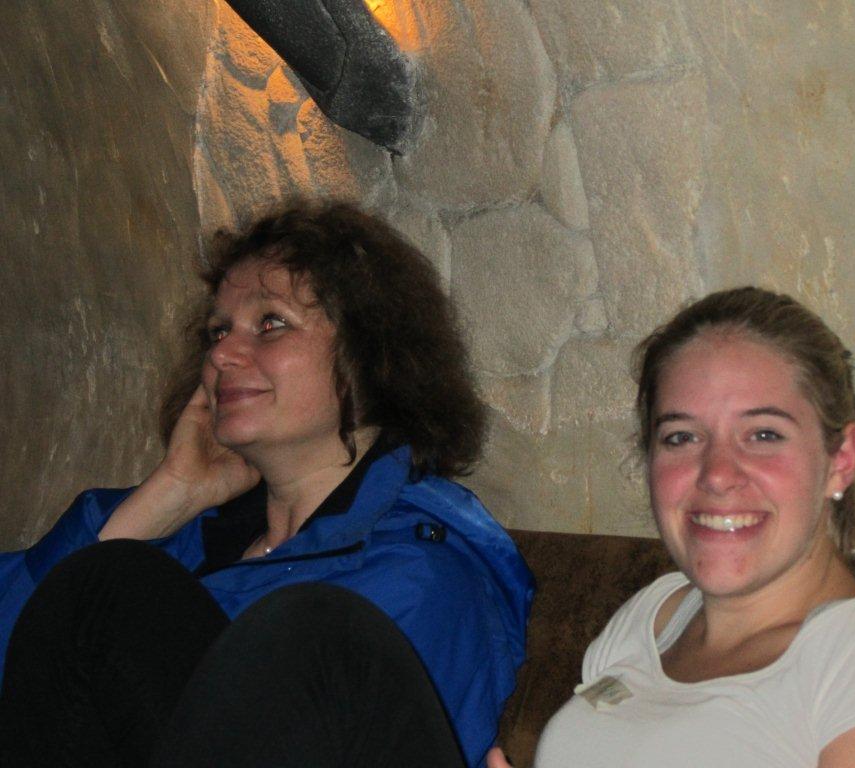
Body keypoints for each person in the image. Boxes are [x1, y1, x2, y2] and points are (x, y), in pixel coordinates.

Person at [0, 202, 533, 768]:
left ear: (370, 353)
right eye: (218, 331)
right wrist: (164, 498)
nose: (222, 354)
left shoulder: (420, 574)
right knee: (110, 581)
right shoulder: (177, 547)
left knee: (297, 624)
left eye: (271, 323)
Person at [489, 287, 855, 768]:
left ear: (841, 459)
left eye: (763, 434)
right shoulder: (652, 617)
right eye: (681, 437)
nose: (717, 473)